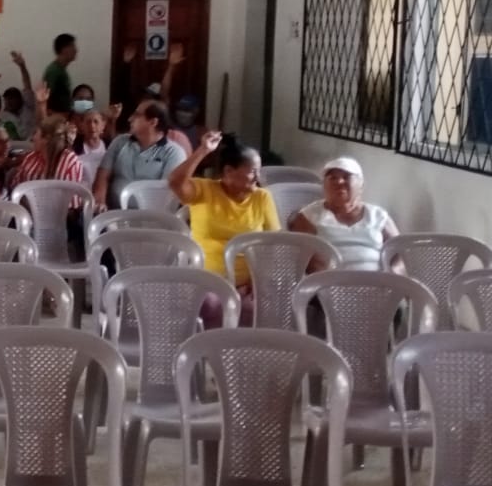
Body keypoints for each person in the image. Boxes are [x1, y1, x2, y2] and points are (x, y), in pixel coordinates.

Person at [170, 132, 279, 328]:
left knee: (253, 308)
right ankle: (213, 347)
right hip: (208, 278)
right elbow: (175, 182)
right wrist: (203, 150)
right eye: (253, 171)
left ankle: (241, 348)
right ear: (228, 171)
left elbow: (274, 243)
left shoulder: (262, 197)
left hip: (248, 281)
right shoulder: (204, 190)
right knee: (210, 305)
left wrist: (259, 278)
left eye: (259, 171)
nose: (258, 177)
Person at [290, 157, 399, 272]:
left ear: (361, 185)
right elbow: (304, 260)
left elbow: (400, 250)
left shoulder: (378, 215)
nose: (339, 182)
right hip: (330, 280)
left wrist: (394, 272)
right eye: (332, 178)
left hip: (379, 280)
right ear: (324, 185)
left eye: (347, 177)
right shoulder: (308, 216)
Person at [94, 100, 187, 211]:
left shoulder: (174, 153)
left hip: (151, 215)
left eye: (137, 115)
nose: (130, 119)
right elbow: (103, 175)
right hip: (114, 211)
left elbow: (166, 193)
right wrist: (100, 202)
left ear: (153, 122)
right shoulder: (120, 142)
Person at [10, 115, 86, 189]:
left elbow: (72, 194)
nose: (33, 138)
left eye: (36, 134)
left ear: (46, 139)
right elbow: (16, 187)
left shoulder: (71, 162)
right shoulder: (31, 158)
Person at [40, 33, 77, 116]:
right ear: (64, 49)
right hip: (56, 120)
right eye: (72, 46)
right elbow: (44, 102)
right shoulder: (53, 71)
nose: (76, 50)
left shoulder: (62, 70)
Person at [73, 109, 109, 188]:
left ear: (103, 125)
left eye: (96, 122)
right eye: (88, 122)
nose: (92, 126)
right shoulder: (75, 150)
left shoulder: (110, 147)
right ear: (82, 126)